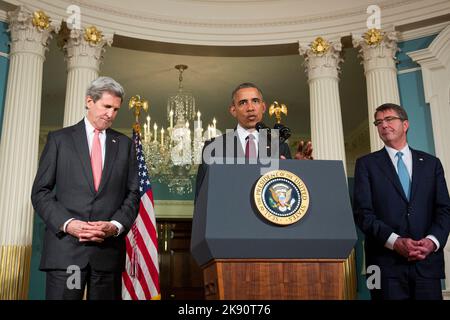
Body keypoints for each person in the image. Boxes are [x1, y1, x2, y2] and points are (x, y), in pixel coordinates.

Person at [31, 77, 140, 300]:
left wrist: (114, 225)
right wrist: (69, 224)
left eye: (116, 109)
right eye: (107, 106)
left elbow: (133, 194)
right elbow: (41, 192)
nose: (111, 114)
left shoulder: (126, 145)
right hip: (66, 253)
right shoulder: (59, 140)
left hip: (106, 254)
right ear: (89, 101)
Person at [353, 103, 450, 300]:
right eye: (379, 122)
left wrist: (432, 242)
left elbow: (444, 210)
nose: (384, 125)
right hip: (382, 267)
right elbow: (363, 214)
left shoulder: (432, 164)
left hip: (426, 264)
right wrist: (394, 241)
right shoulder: (365, 164)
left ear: (405, 124)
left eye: (389, 119)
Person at [195, 82, 313, 200]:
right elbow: (201, 196)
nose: (250, 108)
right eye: (243, 103)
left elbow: (289, 191)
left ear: (263, 107)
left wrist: (299, 169)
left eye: (255, 101)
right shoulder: (214, 146)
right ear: (233, 110)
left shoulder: (279, 145)